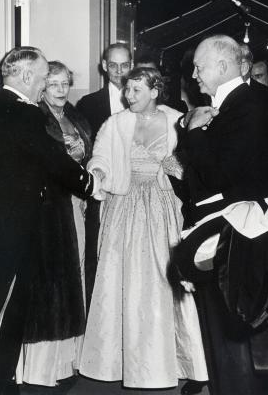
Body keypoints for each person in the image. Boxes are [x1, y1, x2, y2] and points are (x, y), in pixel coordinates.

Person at [79, 67, 208, 388]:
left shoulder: (176, 120)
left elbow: (190, 164)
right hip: (124, 206)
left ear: (154, 92)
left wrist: (176, 168)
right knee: (122, 279)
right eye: (127, 90)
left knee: (165, 280)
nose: (129, 96)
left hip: (162, 206)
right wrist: (98, 172)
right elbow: (100, 159)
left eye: (137, 90)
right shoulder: (116, 123)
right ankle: (120, 362)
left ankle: (170, 362)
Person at [177, 35, 268, 395]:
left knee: (229, 340)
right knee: (221, 337)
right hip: (223, 230)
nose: (194, 75)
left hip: (231, 234)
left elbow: (222, 176)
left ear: (222, 67)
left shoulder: (247, 107)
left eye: (200, 67)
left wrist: (193, 133)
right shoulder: (234, 105)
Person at [0, 47, 95, 395]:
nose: (47, 82)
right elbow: (53, 160)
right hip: (15, 230)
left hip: (4, 227)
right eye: (45, 75)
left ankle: (1, 381)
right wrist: (88, 183)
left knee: (7, 307)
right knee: (5, 310)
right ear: (26, 76)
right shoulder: (22, 113)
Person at [15, 61, 92, 386]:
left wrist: (82, 156)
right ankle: (43, 368)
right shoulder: (37, 118)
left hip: (74, 201)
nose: (61, 90)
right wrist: (68, 157)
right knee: (54, 280)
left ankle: (69, 358)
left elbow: (85, 153)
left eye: (65, 84)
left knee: (75, 271)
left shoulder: (74, 115)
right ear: (43, 87)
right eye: (54, 84)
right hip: (49, 207)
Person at [76, 42, 132, 308]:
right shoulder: (87, 104)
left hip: (137, 192)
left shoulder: (148, 100)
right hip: (103, 193)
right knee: (98, 256)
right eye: (113, 65)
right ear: (104, 66)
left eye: (125, 65)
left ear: (132, 66)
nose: (119, 71)